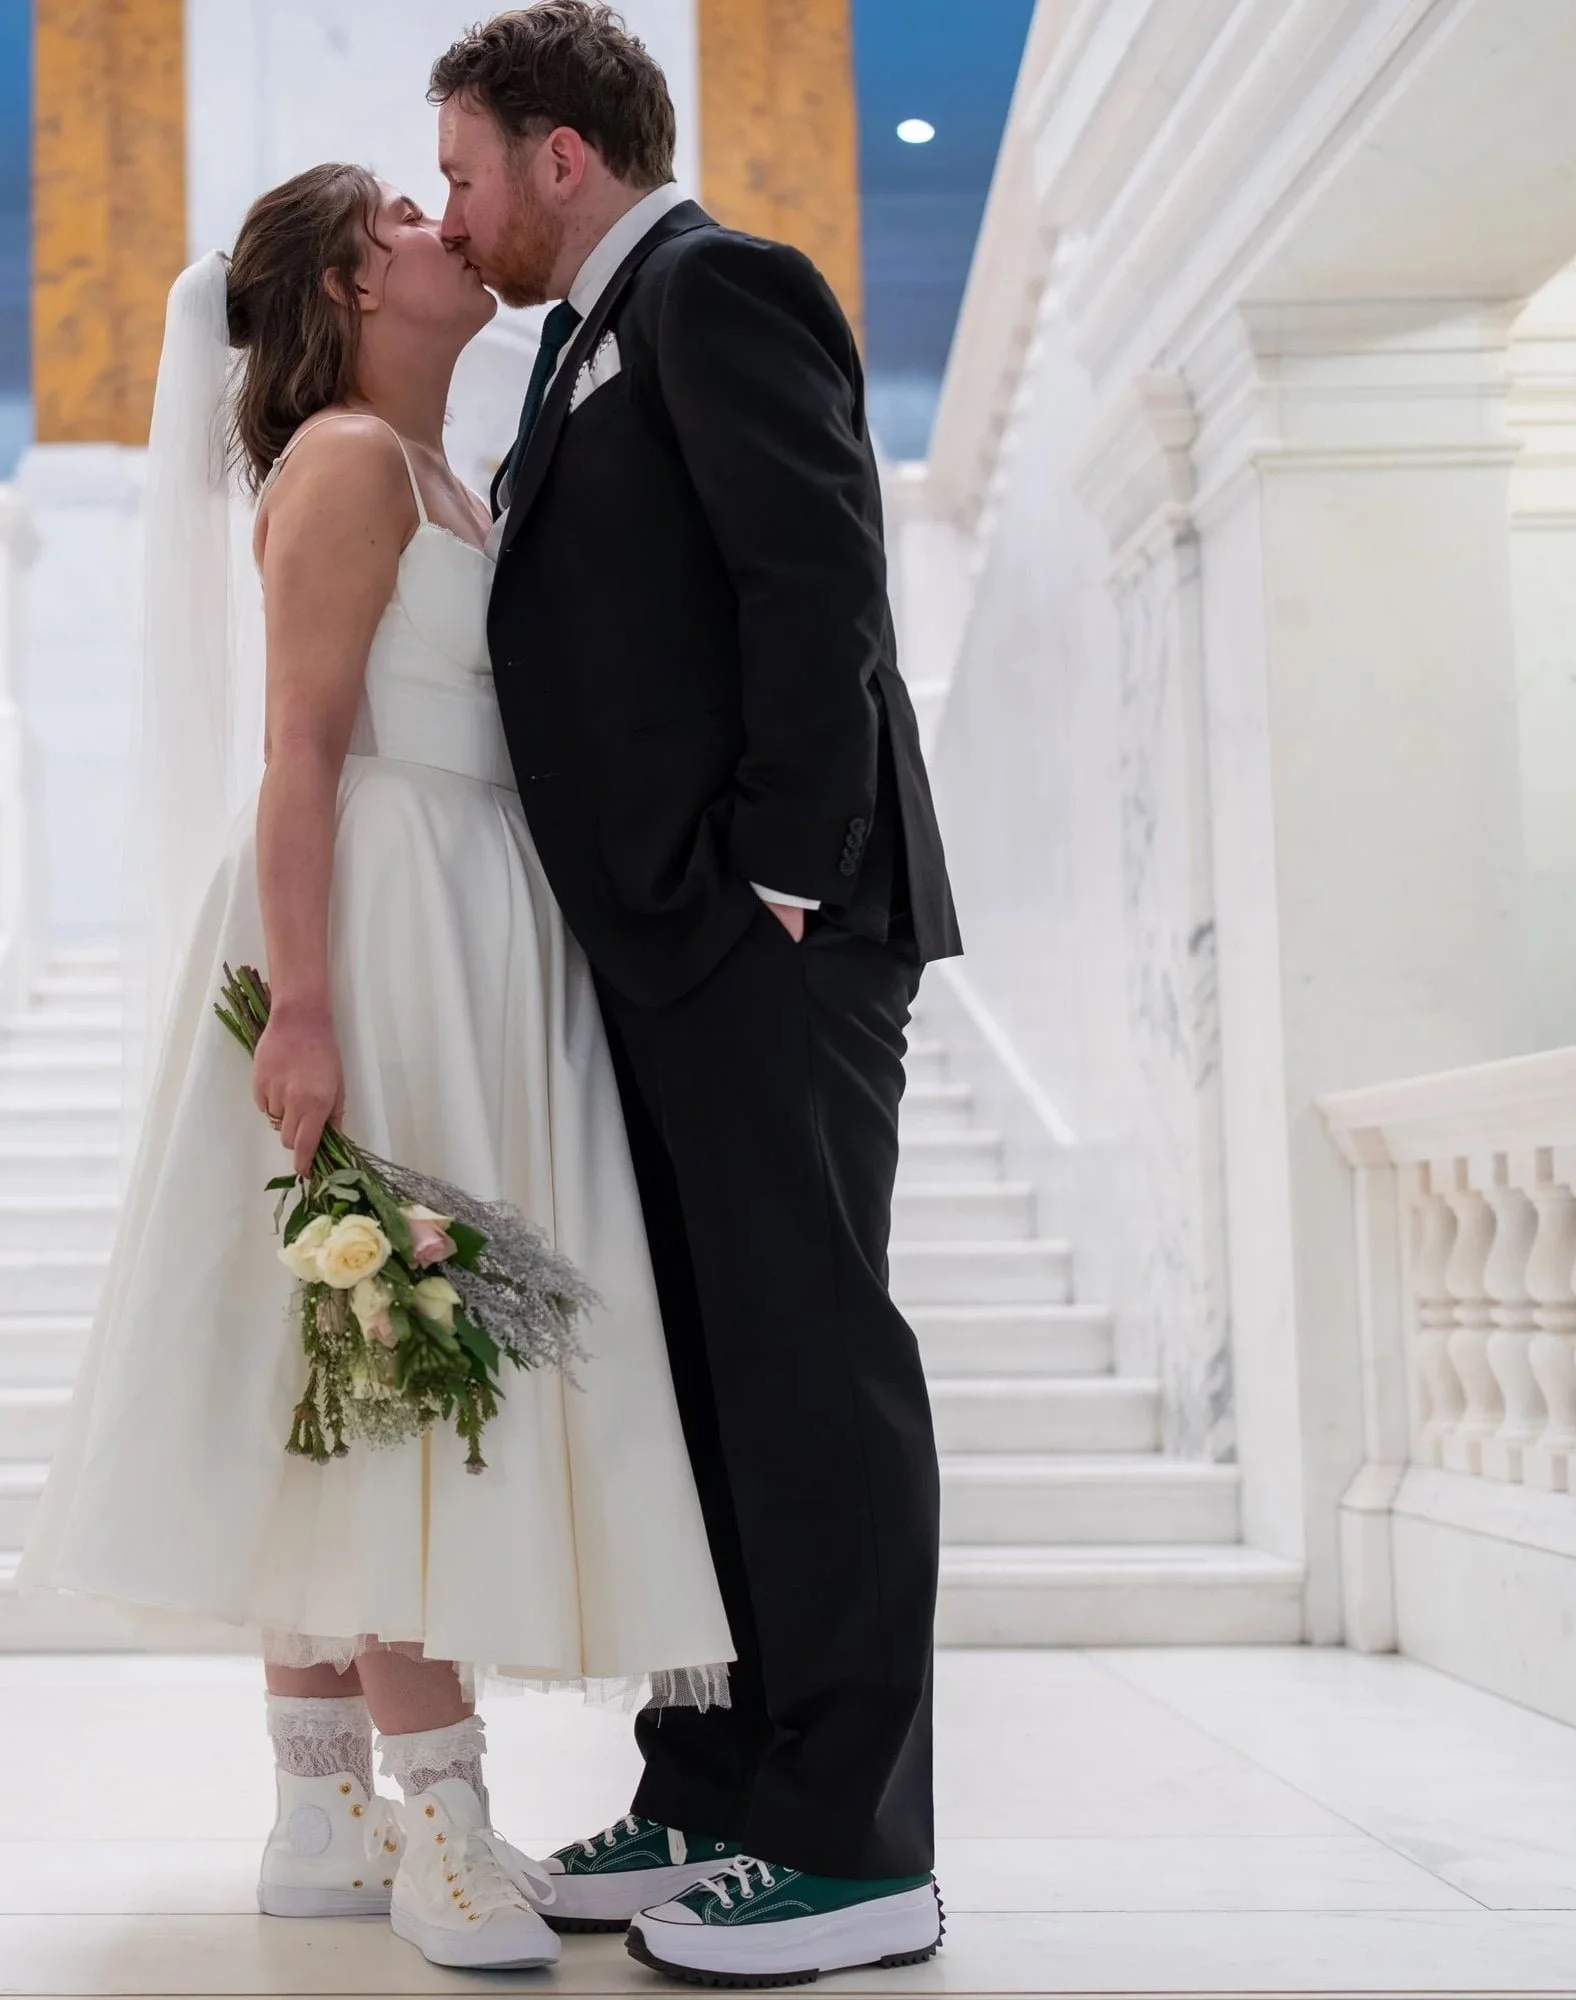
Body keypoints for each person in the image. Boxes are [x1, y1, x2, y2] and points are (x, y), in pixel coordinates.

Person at [14, 161, 733, 1976]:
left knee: (349, 1356)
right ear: (351, 282)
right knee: (398, 1351)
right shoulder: (340, 461)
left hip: (464, 909)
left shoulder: (439, 472)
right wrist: (314, 1009)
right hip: (373, 918)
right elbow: (300, 753)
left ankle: (317, 1804)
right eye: (408, 220)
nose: (443, 226)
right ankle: (445, 1818)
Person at [429, 2, 963, 1984]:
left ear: (562, 155)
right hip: (665, 949)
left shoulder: (719, 284)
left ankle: (857, 1841)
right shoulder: (582, 339)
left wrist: (779, 878)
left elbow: (814, 578)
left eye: (468, 172)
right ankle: (718, 1777)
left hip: (768, 938)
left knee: (809, 1373)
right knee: (716, 1377)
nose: (454, 213)